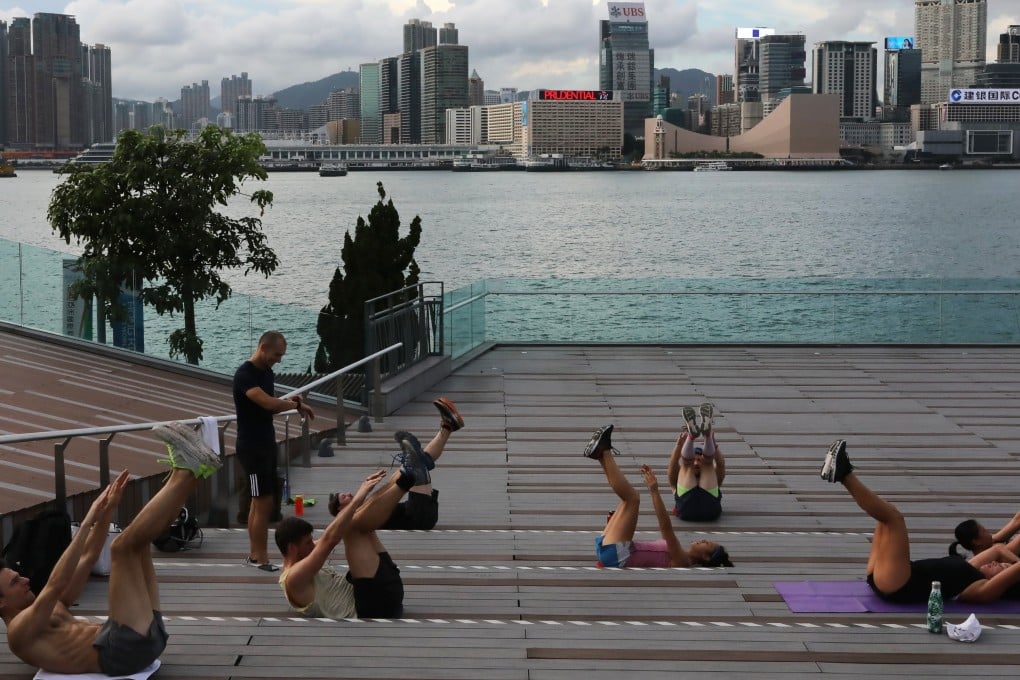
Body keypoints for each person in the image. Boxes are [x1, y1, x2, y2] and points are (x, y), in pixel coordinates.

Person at [0, 422, 222, 675]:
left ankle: (191, 474)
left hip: (141, 639)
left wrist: (106, 512)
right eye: (15, 582)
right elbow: (55, 584)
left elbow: (89, 557)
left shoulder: (47, 608)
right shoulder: (19, 633)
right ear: (1, 603)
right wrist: (86, 522)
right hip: (122, 652)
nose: (25, 579)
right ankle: (185, 469)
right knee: (122, 549)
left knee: (137, 544)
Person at [821, 439, 1020, 603]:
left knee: (894, 519)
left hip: (899, 584)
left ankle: (844, 474)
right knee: (887, 511)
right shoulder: (972, 568)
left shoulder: (980, 590)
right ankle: (841, 471)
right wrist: (1009, 555)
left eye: (1001, 569)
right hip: (890, 576)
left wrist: (1014, 564)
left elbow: (1008, 564)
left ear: (1002, 580)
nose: (997, 563)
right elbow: (996, 550)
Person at [275, 432, 434, 619]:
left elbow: (328, 535)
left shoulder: (302, 556)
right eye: (308, 543)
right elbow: (329, 540)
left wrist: (364, 495)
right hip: (372, 606)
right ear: (292, 548)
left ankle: (408, 469)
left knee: (356, 519)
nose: (313, 545)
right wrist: (359, 495)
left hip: (381, 591)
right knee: (349, 525)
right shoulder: (293, 579)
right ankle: (408, 476)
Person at [583, 424, 733, 569]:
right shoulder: (680, 554)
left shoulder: (682, 561)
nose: (703, 539)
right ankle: (601, 454)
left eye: (707, 543)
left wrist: (654, 491)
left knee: (632, 499)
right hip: (617, 552)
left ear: (706, 557)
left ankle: (604, 450)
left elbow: (665, 527)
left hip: (618, 555)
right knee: (627, 500)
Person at [233, 330, 315, 572]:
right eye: (276, 354)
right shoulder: (245, 375)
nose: (278, 359)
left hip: (266, 443)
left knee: (261, 503)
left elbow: (273, 397)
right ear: (263, 347)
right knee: (263, 501)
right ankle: (260, 558)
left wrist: (296, 403)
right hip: (252, 446)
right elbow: (268, 404)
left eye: (281, 355)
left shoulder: (266, 373)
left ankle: (255, 555)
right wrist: (295, 404)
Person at [328, 397, 464, 530]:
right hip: (419, 518)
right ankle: (414, 460)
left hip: (419, 511)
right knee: (411, 467)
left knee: (407, 469)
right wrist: (365, 490)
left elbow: (382, 496)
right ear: (340, 509)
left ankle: (446, 427)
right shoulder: (356, 519)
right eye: (343, 497)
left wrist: (368, 488)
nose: (348, 494)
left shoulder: (364, 510)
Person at [667, 403, 725, 522]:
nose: (696, 463)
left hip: (692, 508)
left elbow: (720, 466)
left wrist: (715, 446)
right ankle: (706, 436)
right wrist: (678, 446)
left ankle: (692, 436)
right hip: (709, 510)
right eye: (694, 459)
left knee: (691, 465)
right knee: (701, 464)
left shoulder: (713, 477)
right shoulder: (677, 481)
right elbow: (672, 467)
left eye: (698, 459)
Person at [950, 512, 1020, 557]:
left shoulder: (988, 544)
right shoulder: (991, 559)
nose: (987, 531)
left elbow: (1017, 520)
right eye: (984, 531)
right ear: (976, 542)